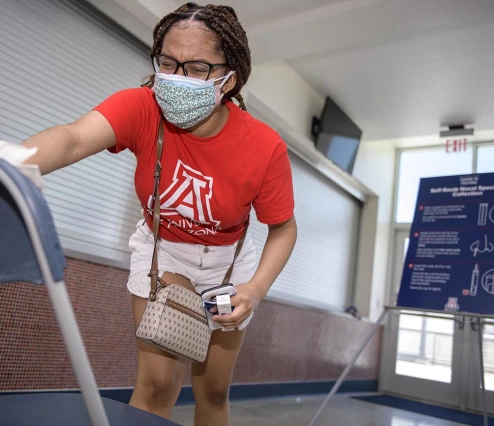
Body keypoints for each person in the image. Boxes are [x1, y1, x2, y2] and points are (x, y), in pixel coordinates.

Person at [22, 2, 297, 425]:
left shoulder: (264, 145)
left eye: (197, 67)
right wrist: (9, 160)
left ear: (229, 79)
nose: (176, 78)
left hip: (229, 264)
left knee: (213, 389)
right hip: (164, 250)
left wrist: (256, 289)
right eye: (168, 63)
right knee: (157, 386)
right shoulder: (141, 107)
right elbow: (74, 139)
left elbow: (283, 228)